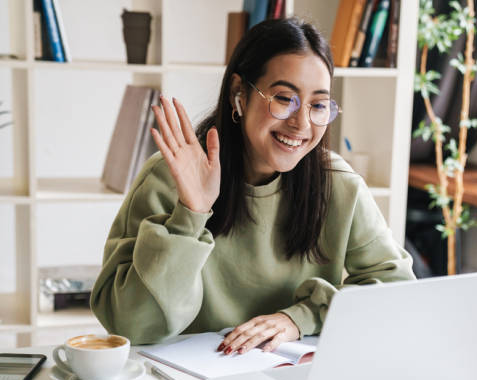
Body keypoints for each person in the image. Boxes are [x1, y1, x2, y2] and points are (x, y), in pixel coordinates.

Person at [90, 17, 415, 354]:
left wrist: (302, 318)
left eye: (318, 105)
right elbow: (131, 326)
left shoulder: (338, 184)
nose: (301, 123)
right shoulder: (169, 176)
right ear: (239, 94)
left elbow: (397, 292)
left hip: (294, 377)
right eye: (283, 98)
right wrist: (191, 213)